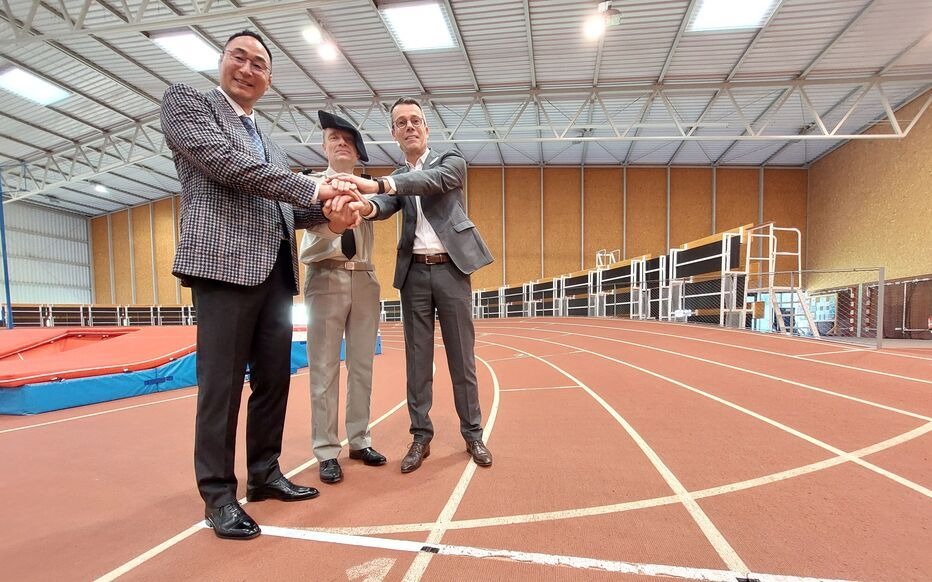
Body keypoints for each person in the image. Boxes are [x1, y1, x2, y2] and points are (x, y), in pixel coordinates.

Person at [160, 30, 361, 540]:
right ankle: (218, 495)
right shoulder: (188, 103)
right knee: (222, 387)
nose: (248, 69)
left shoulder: (267, 139)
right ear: (222, 61)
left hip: (275, 272)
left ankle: (265, 473)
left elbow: (283, 204)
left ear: (269, 80)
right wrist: (318, 187)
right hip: (223, 267)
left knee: (273, 379)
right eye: (239, 58)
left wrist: (331, 217)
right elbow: (232, 168)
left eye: (260, 65)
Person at [334, 97, 495, 474]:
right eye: (401, 122)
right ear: (393, 133)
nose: (409, 126)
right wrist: (365, 207)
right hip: (414, 274)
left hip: (452, 270)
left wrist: (381, 184)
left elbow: (431, 182)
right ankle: (421, 436)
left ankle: (473, 434)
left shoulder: (449, 161)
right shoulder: (396, 177)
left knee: (462, 358)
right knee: (417, 361)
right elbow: (387, 206)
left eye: (415, 120)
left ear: (426, 128)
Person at [299, 111, 386, 485]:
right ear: (323, 145)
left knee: (362, 366)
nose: (340, 142)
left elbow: (388, 206)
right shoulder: (306, 186)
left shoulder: (368, 187)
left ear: (358, 151)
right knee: (323, 368)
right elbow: (304, 240)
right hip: (325, 275)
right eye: (333, 137)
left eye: (348, 139)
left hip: (364, 277)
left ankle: (360, 440)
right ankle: (325, 449)